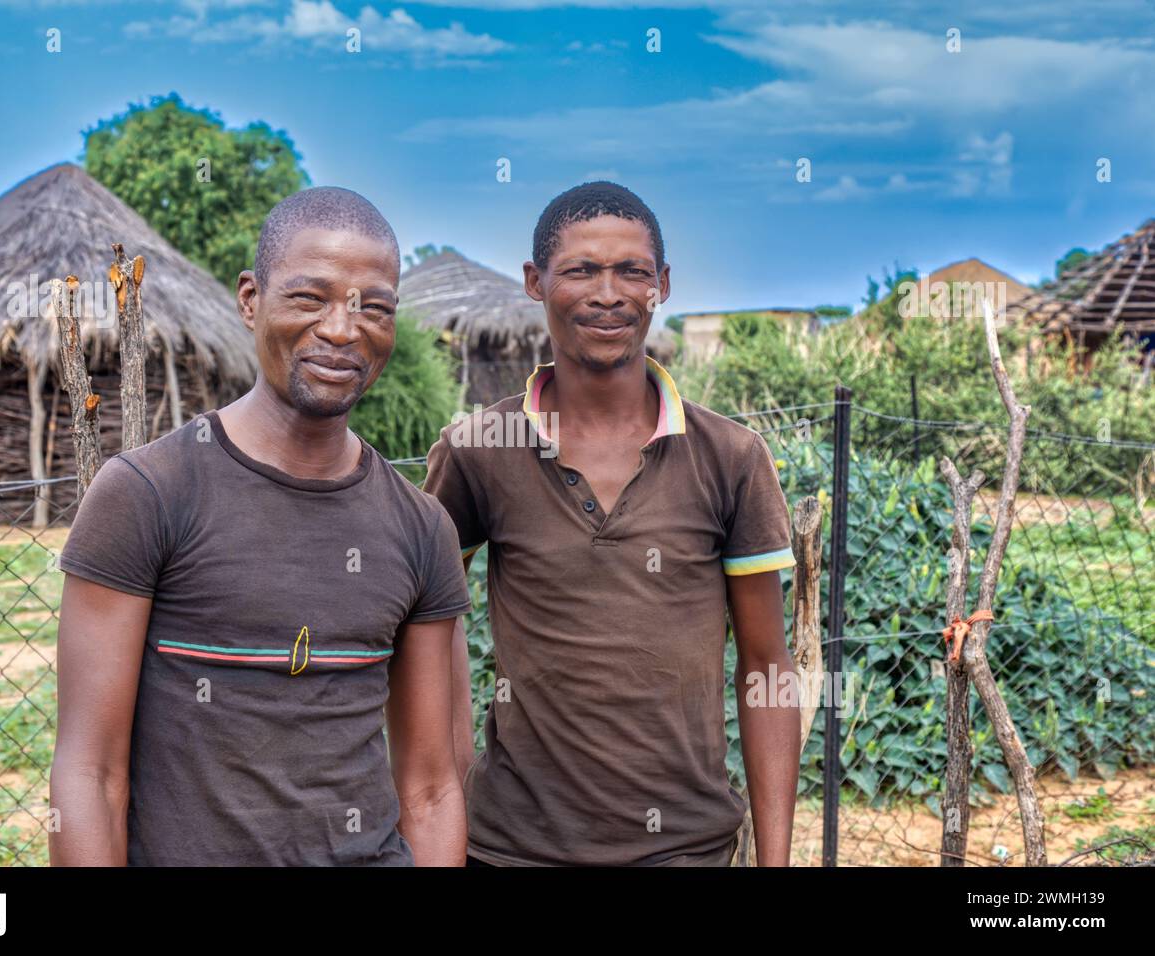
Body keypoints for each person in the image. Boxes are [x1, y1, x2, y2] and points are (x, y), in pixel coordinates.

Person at [50, 187, 470, 866]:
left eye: (374, 308)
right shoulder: (149, 495)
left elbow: (432, 788)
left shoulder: (422, 528)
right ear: (251, 299)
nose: (342, 329)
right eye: (311, 298)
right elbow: (89, 776)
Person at [425, 181, 801, 866]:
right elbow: (425, 630)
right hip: (510, 848)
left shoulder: (730, 457)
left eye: (632, 271)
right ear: (536, 283)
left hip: (688, 846)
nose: (608, 294)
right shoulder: (479, 450)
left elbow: (766, 666)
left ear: (661, 285)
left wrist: (774, 861)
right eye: (580, 270)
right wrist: (439, 816)